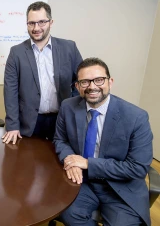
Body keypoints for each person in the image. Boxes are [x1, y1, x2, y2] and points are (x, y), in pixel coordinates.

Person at [54, 58, 153, 225]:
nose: (92, 86)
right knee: (67, 213)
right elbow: (60, 139)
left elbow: (138, 168)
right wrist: (70, 159)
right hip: (82, 182)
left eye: (99, 80)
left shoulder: (136, 117)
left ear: (110, 82)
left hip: (120, 187)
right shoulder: (68, 107)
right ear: (77, 87)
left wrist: (87, 163)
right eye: (84, 82)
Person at [2, 1, 83, 144]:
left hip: (61, 118)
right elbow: (10, 91)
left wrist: (73, 105)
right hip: (30, 122)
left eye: (41, 22)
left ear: (51, 22)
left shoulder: (69, 47)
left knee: (59, 161)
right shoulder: (16, 52)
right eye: (31, 23)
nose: (36, 28)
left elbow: (81, 81)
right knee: (28, 163)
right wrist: (12, 125)